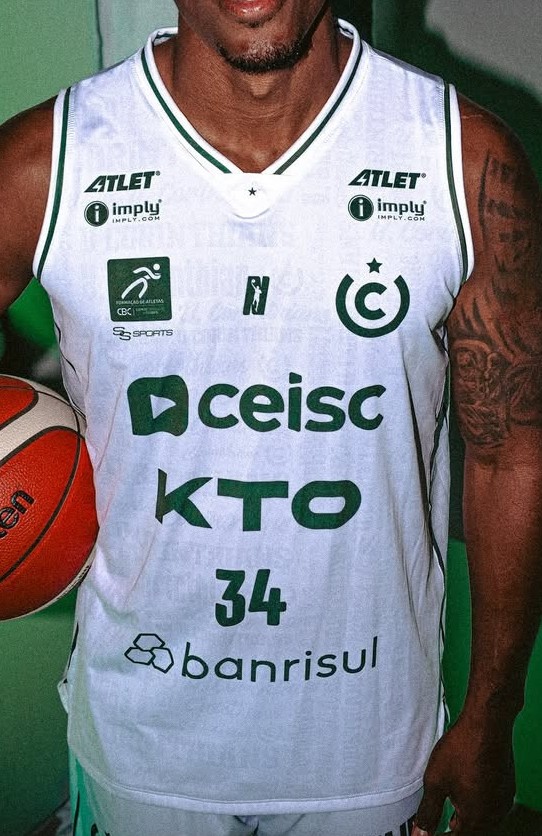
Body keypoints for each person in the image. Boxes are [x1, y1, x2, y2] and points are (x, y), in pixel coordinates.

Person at [1, 2, 541, 834]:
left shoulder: (462, 162)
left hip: (370, 752)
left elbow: (512, 456)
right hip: (141, 746)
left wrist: (491, 715)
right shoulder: (46, 163)